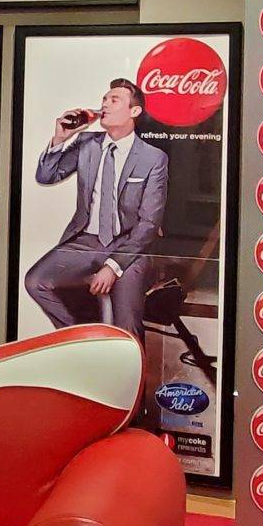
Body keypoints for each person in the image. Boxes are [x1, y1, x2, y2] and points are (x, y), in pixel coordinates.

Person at [23, 78, 170, 422]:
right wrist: (60, 138)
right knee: (36, 281)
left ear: (134, 111)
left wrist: (114, 267)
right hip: (86, 240)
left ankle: (132, 412)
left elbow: (148, 224)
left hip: (129, 246)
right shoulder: (87, 142)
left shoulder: (153, 157)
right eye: (104, 98)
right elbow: (46, 176)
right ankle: (88, 344)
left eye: (115, 99)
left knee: (127, 327)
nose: (105, 104)